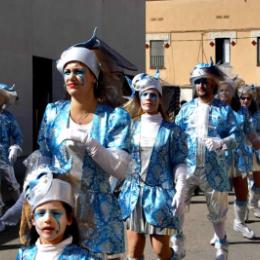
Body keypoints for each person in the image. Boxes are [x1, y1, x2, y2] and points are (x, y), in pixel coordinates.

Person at [35, 30, 137, 259]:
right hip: (60, 208)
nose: (71, 76)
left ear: (94, 77)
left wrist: (91, 144)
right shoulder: (53, 113)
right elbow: (43, 155)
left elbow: (121, 170)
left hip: (100, 212)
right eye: (67, 71)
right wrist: (35, 185)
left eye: (79, 71)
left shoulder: (115, 118)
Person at [173, 63, 241, 260]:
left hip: (215, 168)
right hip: (187, 166)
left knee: (218, 211)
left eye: (205, 81)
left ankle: (222, 249)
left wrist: (221, 142)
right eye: (197, 82)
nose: (201, 85)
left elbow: (236, 137)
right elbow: (176, 135)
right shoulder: (185, 110)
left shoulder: (225, 111)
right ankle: (178, 245)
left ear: (212, 84)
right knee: (178, 207)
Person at [119, 73, 188, 260]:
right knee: (133, 252)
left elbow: (180, 162)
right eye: (144, 94)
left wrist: (181, 189)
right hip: (133, 195)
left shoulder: (172, 131)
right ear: (138, 98)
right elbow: (120, 159)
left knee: (160, 251)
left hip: (160, 197)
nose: (149, 98)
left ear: (159, 99)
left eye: (153, 95)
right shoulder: (129, 127)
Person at [16, 167, 99, 259]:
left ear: (69, 219)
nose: (47, 219)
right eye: (41, 213)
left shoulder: (84, 258)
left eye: (55, 213)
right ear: (32, 220)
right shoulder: (24, 256)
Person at [218, 79, 255, 239]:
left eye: (228, 90)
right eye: (221, 90)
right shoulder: (212, 110)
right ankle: (218, 231)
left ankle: (239, 223)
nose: (225, 93)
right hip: (220, 157)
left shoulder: (242, 111)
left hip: (240, 156)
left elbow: (250, 133)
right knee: (219, 195)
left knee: (242, 191)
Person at [0, 83, 23, 227]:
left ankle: (22, 212)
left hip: (4, 157)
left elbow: (18, 136)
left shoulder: (8, 117)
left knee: (13, 185)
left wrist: (15, 147)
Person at [238, 85, 260, 218]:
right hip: (240, 150)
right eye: (242, 98)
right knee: (243, 181)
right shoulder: (234, 112)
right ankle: (243, 209)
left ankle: (254, 202)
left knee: (257, 180)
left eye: (248, 98)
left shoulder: (257, 113)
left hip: (256, 149)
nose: (245, 101)